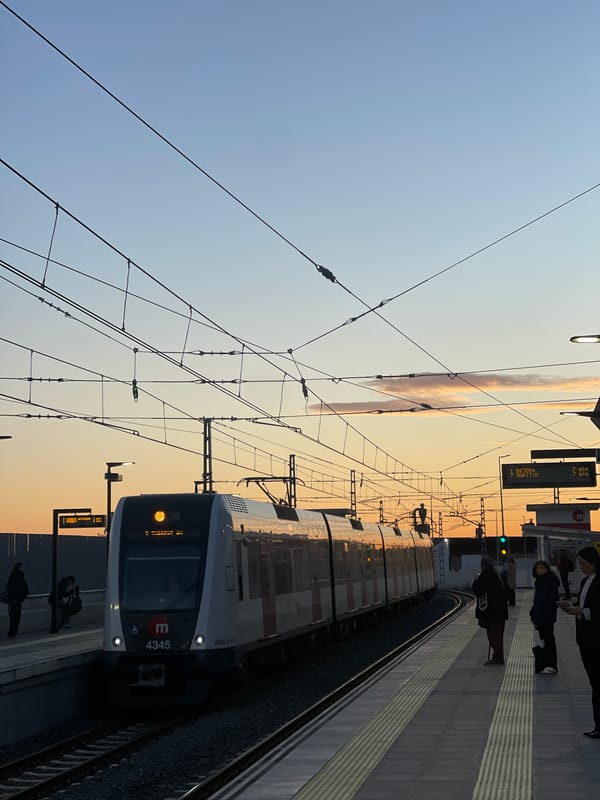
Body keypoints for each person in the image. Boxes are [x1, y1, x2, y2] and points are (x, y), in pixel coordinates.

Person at [560, 546, 600, 738]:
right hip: (585, 638)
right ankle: (597, 725)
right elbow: (585, 606)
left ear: (594, 563)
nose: (581, 567)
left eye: (583, 564)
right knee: (594, 683)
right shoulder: (585, 581)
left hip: (597, 639)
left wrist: (583, 611)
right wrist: (573, 608)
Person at [472, 556, 509, 665]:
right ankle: (498, 656)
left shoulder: (485, 575)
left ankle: (498, 657)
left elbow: (478, 590)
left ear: (483, 565)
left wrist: (475, 580)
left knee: (493, 635)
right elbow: (506, 591)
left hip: (491, 612)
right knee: (499, 635)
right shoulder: (498, 574)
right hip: (501, 611)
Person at [529, 560, 560, 674]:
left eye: (541, 568)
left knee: (548, 640)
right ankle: (545, 664)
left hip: (546, 616)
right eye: (537, 568)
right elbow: (537, 600)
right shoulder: (539, 581)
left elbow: (552, 600)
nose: (539, 570)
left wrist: (542, 613)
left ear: (547, 569)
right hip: (540, 615)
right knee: (544, 640)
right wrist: (533, 612)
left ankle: (551, 665)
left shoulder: (549, 581)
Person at [6, 562, 29, 638]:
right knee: (15, 617)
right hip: (15, 600)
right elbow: (14, 589)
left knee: (15, 617)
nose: (24, 569)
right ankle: (12, 633)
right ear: (18, 568)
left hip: (16, 600)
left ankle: (13, 633)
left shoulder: (18, 577)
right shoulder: (17, 578)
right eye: (22, 567)